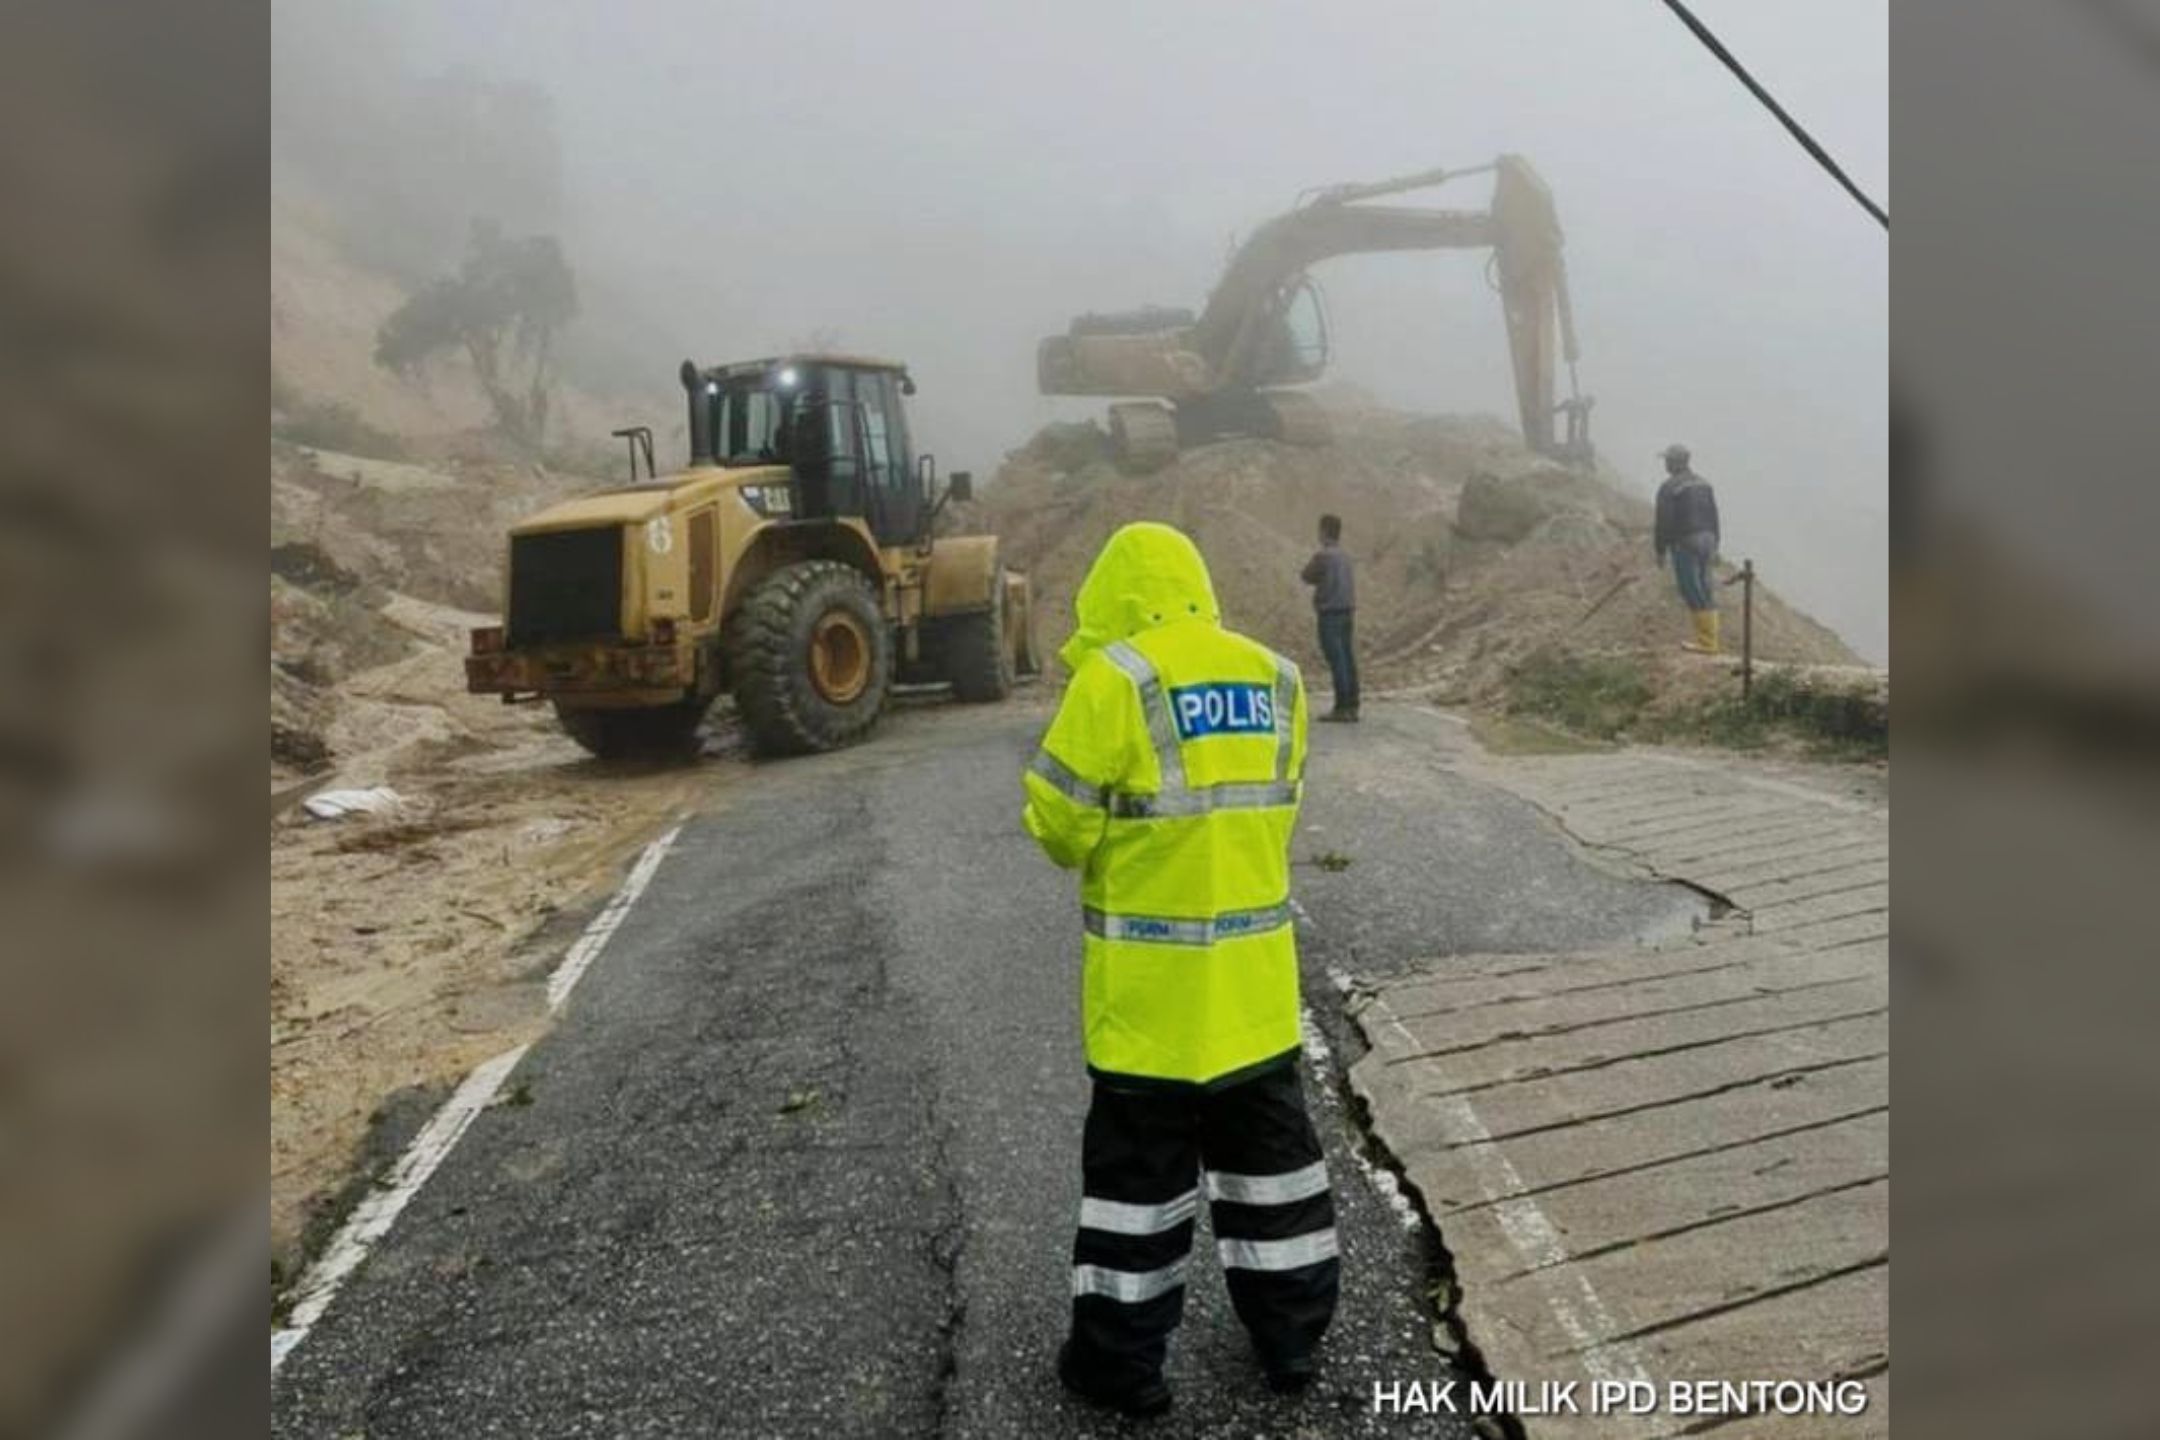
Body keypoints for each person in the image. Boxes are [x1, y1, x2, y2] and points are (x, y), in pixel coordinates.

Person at [1022, 522, 1337, 1418]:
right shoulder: (1276, 677)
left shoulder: (1113, 680)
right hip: (1256, 1001)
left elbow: (1058, 826)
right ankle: (1291, 1344)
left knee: (1137, 1197)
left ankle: (1121, 1371)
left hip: (1150, 1013)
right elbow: (1280, 805)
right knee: (1276, 1183)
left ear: (1113, 597)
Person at [1654, 443, 1723, 654]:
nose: (1665, 464)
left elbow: (1663, 522)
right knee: (1705, 586)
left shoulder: (1669, 487)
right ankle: (1711, 641)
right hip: (1708, 539)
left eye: (1667, 460)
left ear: (1673, 462)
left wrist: (1660, 549)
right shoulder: (1704, 484)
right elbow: (1713, 515)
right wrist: (1716, 545)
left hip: (1686, 541)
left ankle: (1706, 643)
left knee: (1690, 588)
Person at [1299, 514, 1359, 721]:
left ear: (1324, 532)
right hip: (1347, 612)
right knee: (1348, 658)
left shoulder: (1323, 557)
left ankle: (1341, 708)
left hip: (1330, 614)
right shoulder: (1345, 557)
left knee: (1337, 661)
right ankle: (1352, 706)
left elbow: (1306, 576)